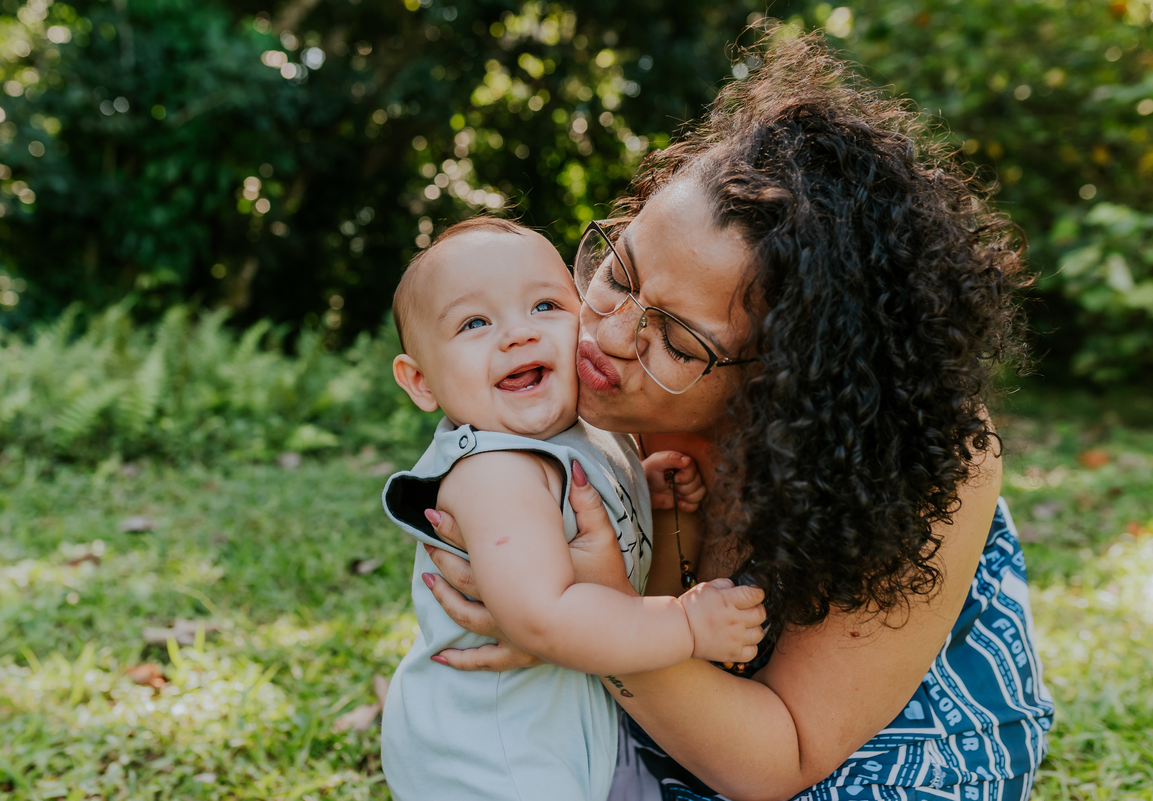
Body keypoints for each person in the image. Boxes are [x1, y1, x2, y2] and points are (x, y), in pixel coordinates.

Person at [418, 28, 1055, 801]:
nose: (607, 334)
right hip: (660, 722)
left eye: (678, 341)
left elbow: (779, 759)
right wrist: (551, 623)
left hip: (868, 752)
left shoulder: (908, 458)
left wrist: (587, 634)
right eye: (620, 271)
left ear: (784, 381)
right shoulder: (569, 384)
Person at [379, 217, 766, 801]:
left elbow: (614, 580)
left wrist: (648, 500)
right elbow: (545, 618)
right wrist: (687, 625)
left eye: (545, 306)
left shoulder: (591, 437)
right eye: (474, 323)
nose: (518, 335)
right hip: (492, 754)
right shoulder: (493, 472)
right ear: (421, 382)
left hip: (572, 736)